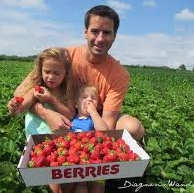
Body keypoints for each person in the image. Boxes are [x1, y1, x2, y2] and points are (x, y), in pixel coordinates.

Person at [13, 5, 145, 193]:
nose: (100, 39)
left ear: (114, 36)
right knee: (63, 187)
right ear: (85, 32)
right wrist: (45, 112)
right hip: (67, 115)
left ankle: (100, 176)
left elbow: (106, 122)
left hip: (98, 119)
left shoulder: (119, 74)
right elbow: (21, 92)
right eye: (95, 31)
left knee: (134, 128)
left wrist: (93, 158)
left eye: (107, 32)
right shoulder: (66, 56)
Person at [7, 47, 75, 193]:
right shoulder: (36, 90)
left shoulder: (66, 92)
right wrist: (14, 106)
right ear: (40, 70)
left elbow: (69, 114)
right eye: (47, 72)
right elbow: (20, 108)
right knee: (52, 176)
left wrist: (51, 99)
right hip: (38, 141)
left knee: (68, 176)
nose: (50, 77)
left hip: (60, 140)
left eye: (57, 73)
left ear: (66, 74)